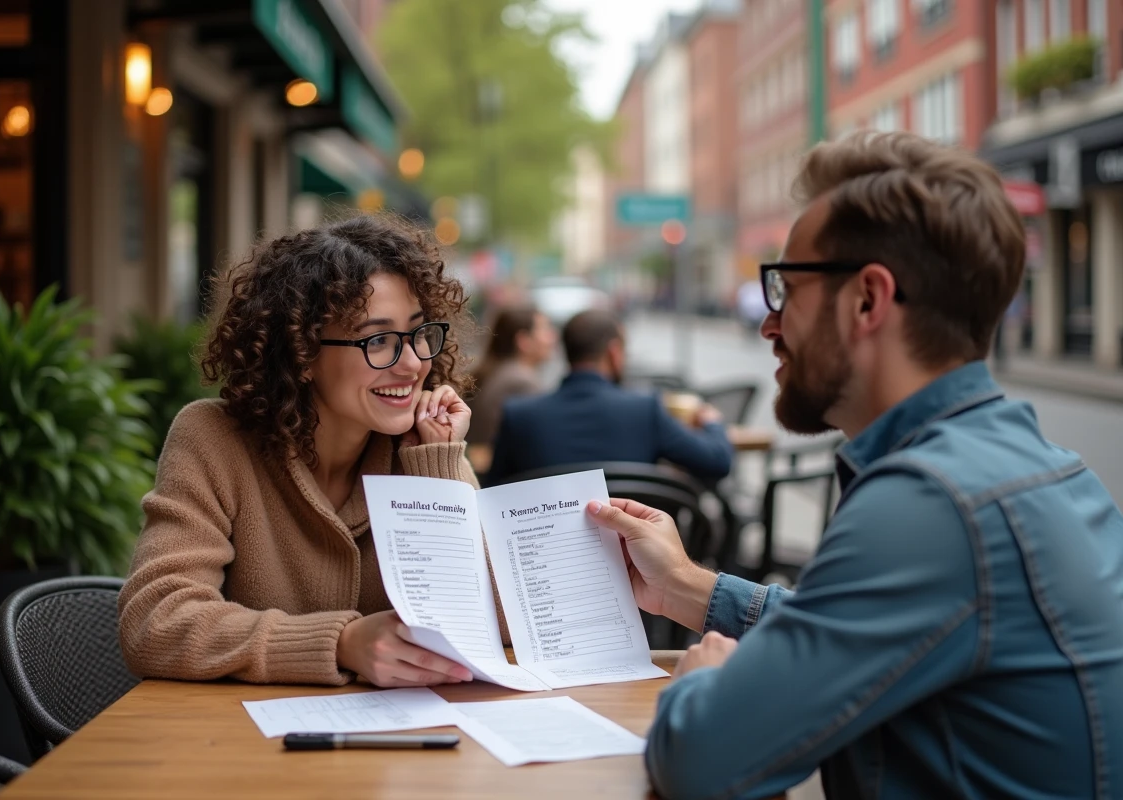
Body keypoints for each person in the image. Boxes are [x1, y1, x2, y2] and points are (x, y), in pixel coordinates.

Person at [586, 131, 1123, 799]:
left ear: (868, 300)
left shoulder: (933, 503)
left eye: (786, 287)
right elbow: (847, 632)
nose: (768, 326)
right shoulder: (1028, 466)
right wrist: (686, 589)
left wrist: (702, 685)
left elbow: (702, 762)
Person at [118, 215, 488, 689]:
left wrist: (437, 469)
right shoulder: (212, 439)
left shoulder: (423, 447)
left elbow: (491, 615)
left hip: (408, 742)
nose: (414, 363)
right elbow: (156, 621)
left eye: (418, 333)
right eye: (378, 340)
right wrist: (340, 642)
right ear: (303, 354)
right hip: (236, 745)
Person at [483, 309, 733, 485]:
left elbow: (493, 490)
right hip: (631, 556)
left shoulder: (518, 415)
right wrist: (712, 422)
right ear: (614, 352)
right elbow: (717, 462)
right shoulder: (645, 410)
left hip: (547, 555)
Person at [466, 302, 557, 448]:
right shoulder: (521, 382)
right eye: (545, 330)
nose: (552, 337)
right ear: (523, 341)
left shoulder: (496, 372)